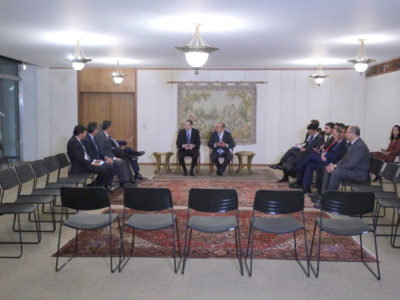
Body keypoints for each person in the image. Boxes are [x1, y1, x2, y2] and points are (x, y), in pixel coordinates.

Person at [315, 126, 370, 202]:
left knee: (335, 173)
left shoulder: (359, 146)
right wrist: (333, 165)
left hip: (358, 173)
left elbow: (351, 164)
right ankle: (323, 194)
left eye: (347, 132)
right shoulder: (352, 144)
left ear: (352, 133)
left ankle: (330, 199)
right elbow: (344, 159)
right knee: (327, 168)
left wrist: (335, 167)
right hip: (352, 170)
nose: (345, 134)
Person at [291, 127, 347, 193]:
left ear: (339, 134)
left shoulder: (343, 144)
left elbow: (336, 156)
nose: (333, 137)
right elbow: (329, 151)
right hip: (325, 158)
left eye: (334, 135)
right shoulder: (336, 142)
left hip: (331, 162)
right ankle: (306, 187)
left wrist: (324, 155)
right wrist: (323, 154)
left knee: (310, 154)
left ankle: (296, 167)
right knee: (310, 164)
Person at [66, 125, 114, 191]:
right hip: (80, 166)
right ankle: (98, 187)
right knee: (103, 169)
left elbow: (85, 155)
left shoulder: (78, 140)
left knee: (108, 166)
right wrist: (92, 163)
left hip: (85, 163)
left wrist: (94, 161)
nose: (86, 134)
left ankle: (99, 185)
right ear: (80, 134)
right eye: (85, 133)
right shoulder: (73, 142)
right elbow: (79, 159)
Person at [94, 122, 136, 186]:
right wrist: (113, 158)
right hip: (103, 158)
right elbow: (102, 151)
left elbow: (110, 148)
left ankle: (128, 180)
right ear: (108, 128)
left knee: (124, 158)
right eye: (111, 127)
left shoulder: (106, 136)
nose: (112, 128)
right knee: (120, 162)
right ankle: (124, 182)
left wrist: (114, 157)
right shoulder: (101, 136)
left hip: (111, 155)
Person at [82, 122, 116, 190]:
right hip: (92, 162)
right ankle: (99, 186)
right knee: (106, 167)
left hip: (98, 159)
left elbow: (99, 152)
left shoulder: (93, 138)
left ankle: (105, 185)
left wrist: (106, 158)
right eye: (98, 128)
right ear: (94, 130)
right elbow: (89, 155)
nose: (99, 130)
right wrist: (98, 161)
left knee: (112, 164)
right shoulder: (86, 140)